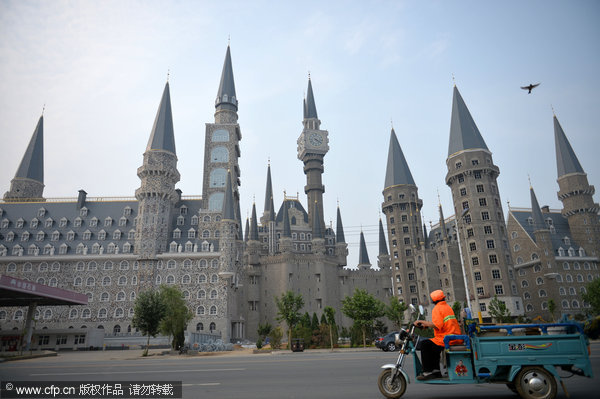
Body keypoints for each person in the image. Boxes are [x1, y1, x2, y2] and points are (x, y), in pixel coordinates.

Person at [413, 289, 462, 380]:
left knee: (425, 344)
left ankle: (427, 372)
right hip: (453, 336)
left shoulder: (437, 308)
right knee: (432, 346)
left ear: (433, 300)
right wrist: (426, 325)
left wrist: (420, 321)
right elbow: (441, 324)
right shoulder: (447, 307)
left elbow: (437, 325)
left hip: (447, 338)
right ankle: (436, 371)